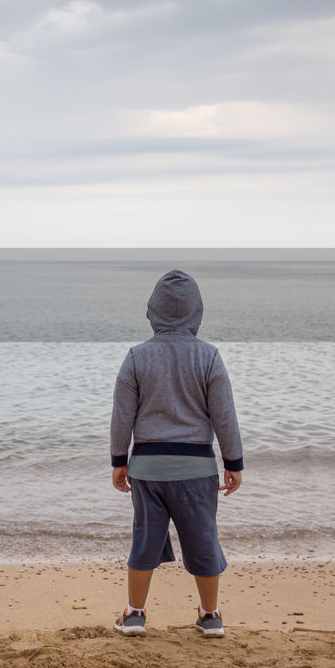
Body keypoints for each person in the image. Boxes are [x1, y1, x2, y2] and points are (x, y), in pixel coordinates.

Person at [110, 269, 244, 638]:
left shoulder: (137, 357)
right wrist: (233, 463)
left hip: (148, 470)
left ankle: (135, 614)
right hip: (197, 468)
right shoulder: (209, 357)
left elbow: (122, 417)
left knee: (145, 540)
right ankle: (210, 615)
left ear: (152, 311)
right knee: (203, 538)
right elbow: (225, 417)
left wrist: (119, 461)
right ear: (196, 313)